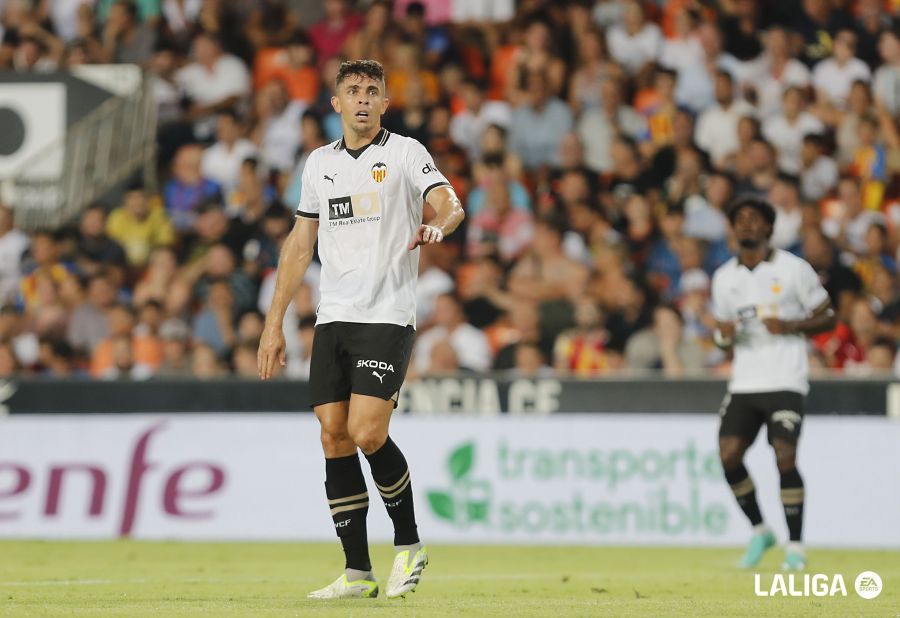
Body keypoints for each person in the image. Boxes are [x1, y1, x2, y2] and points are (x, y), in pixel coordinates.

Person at [257, 59, 464, 599]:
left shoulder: (404, 152)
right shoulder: (318, 164)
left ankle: (410, 544)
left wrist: (436, 224)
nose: (364, 99)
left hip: (386, 313)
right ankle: (356, 572)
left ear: (385, 103)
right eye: (353, 91)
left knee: (368, 431)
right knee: (333, 435)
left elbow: (450, 203)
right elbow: (301, 245)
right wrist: (273, 323)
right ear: (337, 104)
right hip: (333, 317)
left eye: (373, 90)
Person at [711, 196, 836, 571]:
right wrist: (724, 337)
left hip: (785, 379)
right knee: (728, 455)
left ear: (768, 228)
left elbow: (828, 317)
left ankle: (795, 546)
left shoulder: (794, 269)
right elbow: (720, 338)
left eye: (754, 219)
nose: (747, 224)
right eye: (740, 219)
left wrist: (792, 326)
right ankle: (761, 531)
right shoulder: (724, 278)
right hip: (745, 381)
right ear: (733, 230)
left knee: (784, 456)